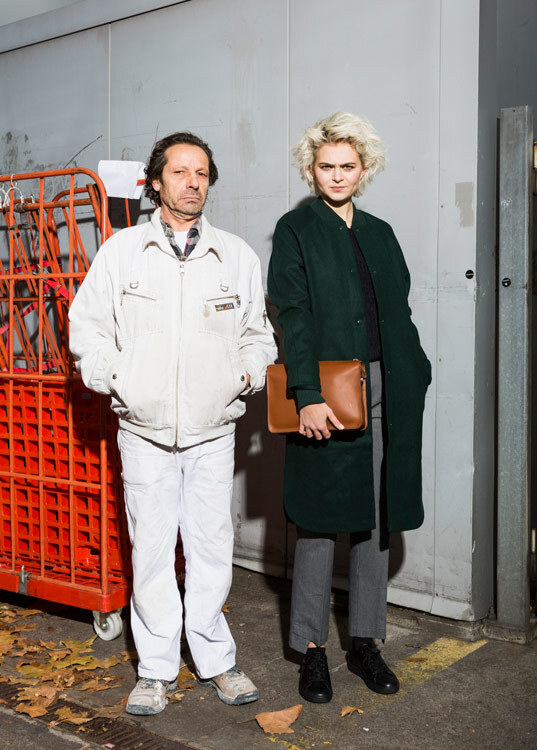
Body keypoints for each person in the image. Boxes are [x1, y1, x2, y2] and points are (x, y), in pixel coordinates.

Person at [69, 132, 277, 715]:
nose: (193, 182)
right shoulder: (122, 253)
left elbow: (258, 335)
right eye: (181, 172)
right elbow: (87, 328)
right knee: (153, 552)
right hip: (144, 432)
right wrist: (119, 378)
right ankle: (156, 670)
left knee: (211, 548)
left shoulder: (235, 256)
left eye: (202, 173)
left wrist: (244, 375)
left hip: (213, 431)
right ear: (156, 182)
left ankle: (216, 661)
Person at [267, 112, 431, 703]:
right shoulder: (295, 229)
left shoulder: (381, 231)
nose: (337, 176)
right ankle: (312, 650)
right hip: (328, 391)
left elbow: (400, 309)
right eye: (326, 166)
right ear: (311, 170)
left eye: (348, 166)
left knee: (375, 519)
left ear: (364, 170)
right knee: (319, 521)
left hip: (388, 386)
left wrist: (417, 367)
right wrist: (307, 395)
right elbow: (292, 315)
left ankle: (365, 641)